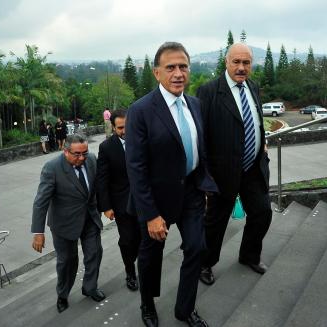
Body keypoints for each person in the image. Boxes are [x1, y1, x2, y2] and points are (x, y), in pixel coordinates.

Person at [125, 42, 217, 327]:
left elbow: (202, 149)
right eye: (171, 68)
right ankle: (147, 305)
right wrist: (151, 215)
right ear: (156, 73)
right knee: (151, 258)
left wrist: (203, 186)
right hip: (155, 199)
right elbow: (136, 168)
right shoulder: (140, 111)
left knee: (197, 248)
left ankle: (184, 309)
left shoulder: (195, 104)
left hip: (190, 191)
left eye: (183, 67)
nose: (178, 73)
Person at [196, 43, 273, 285]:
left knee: (262, 213)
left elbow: (255, 122)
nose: (241, 68)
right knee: (215, 222)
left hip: (253, 168)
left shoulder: (253, 87)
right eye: (236, 62)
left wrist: (261, 143)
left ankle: (249, 256)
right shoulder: (208, 91)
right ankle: (205, 264)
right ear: (226, 62)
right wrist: (205, 178)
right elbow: (201, 137)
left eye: (246, 63)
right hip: (222, 173)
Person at [31, 133, 105, 313]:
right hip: (64, 223)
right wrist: (38, 232)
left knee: (94, 253)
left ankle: (90, 288)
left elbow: (98, 187)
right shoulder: (52, 168)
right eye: (77, 154)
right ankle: (62, 294)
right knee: (67, 262)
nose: (82, 158)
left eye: (84, 153)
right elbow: (41, 201)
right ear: (65, 151)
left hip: (89, 219)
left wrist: (106, 207)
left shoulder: (92, 160)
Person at [96, 109, 141, 292]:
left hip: (143, 199)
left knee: (141, 238)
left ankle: (140, 262)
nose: (125, 131)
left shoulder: (142, 139)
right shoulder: (106, 148)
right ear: (113, 128)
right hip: (121, 202)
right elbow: (102, 179)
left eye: (127, 126)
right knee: (127, 240)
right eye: (121, 127)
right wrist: (106, 207)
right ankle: (130, 272)